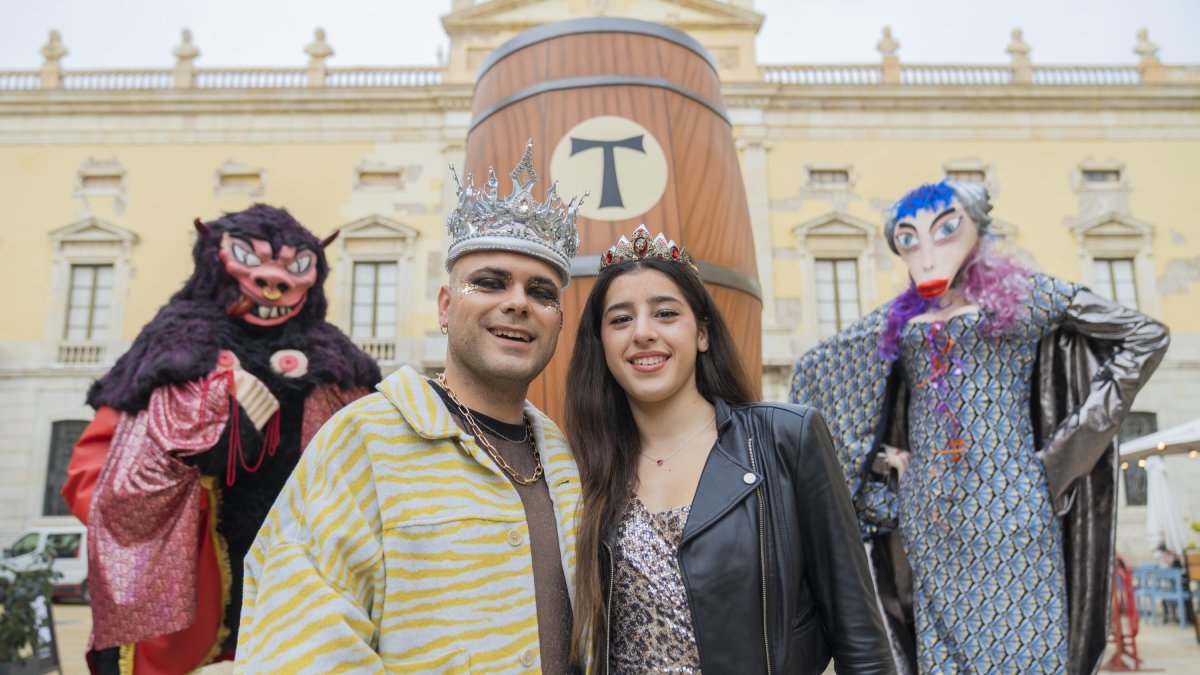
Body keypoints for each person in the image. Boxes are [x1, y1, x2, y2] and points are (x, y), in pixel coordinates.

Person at [790, 180, 1170, 674]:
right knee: (940, 658)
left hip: (1012, 506)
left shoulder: (1024, 296)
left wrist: (1067, 452)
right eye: (908, 239)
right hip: (928, 519)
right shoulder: (901, 319)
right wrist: (882, 472)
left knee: (1027, 653)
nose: (926, 254)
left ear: (975, 227)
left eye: (945, 231)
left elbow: (1145, 335)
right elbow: (821, 370)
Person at [236, 141, 587, 673]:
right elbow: (298, 645)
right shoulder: (364, 440)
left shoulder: (567, 460)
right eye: (490, 282)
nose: (517, 301)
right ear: (445, 307)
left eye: (541, 291)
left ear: (558, 321)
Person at [60, 204, 381, 674]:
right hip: (186, 629)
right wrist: (199, 448)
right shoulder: (169, 354)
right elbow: (90, 482)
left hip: (307, 613)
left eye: (293, 267)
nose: (273, 282)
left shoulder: (338, 368)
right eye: (251, 260)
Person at [565, 225, 895, 674]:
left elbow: (860, 639)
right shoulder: (584, 470)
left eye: (665, 314)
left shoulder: (786, 440)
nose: (642, 333)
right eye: (621, 319)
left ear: (702, 333)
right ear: (601, 343)